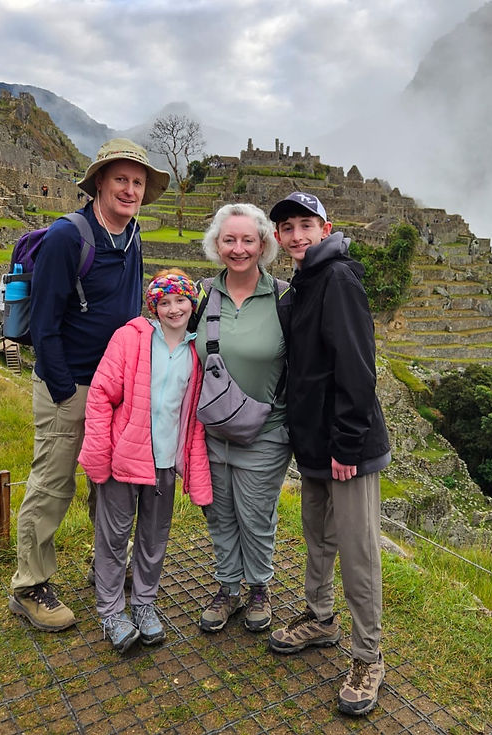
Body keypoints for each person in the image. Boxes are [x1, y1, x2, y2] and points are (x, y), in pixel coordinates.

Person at [7, 139, 170, 632]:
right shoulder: (67, 238)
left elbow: (130, 313)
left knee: (111, 486)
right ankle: (29, 585)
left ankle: (107, 569)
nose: (130, 189)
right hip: (70, 384)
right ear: (99, 182)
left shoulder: (133, 235)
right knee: (53, 484)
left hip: (115, 391)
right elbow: (44, 322)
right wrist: (61, 390)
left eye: (138, 182)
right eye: (120, 179)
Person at [267, 192, 390, 717]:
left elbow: (357, 368)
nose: (296, 236)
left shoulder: (338, 278)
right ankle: (320, 618)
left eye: (305, 226)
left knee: (358, 552)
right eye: (287, 228)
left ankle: (368, 655)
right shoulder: (304, 282)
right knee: (317, 536)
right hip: (313, 441)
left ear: (325, 228)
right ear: (278, 237)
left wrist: (346, 443)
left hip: (347, 447)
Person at [78, 270, 212, 653]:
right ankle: (111, 611)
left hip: (166, 461)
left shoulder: (196, 350)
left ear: (192, 304)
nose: (173, 309)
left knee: (154, 537)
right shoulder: (131, 339)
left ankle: (144, 604)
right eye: (164, 302)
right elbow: (101, 396)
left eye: (181, 300)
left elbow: (194, 417)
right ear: (154, 306)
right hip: (125, 458)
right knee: (114, 536)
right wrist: (99, 454)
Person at [196, 203, 292, 634]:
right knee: (219, 514)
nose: (238, 249)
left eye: (247, 240)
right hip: (212, 429)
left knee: (255, 514)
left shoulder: (284, 298)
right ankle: (227, 587)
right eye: (229, 240)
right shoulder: (200, 295)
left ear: (264, 244)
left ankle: (258, 587)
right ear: (217, 245)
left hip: (266, 431)